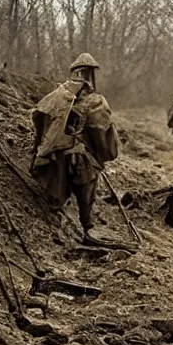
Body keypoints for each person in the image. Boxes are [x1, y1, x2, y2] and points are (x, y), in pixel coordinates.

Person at [30, 53, 119, 238]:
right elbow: (102, 133)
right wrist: (103, 154)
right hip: (79, 159)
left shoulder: (58, 95)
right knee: (86, 190)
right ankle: (86, 228)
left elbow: (40, 118)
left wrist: (38, 149)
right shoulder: (96, 101)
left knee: (62, 189)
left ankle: (61, 226)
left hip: (56, 157)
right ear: (91, 74)